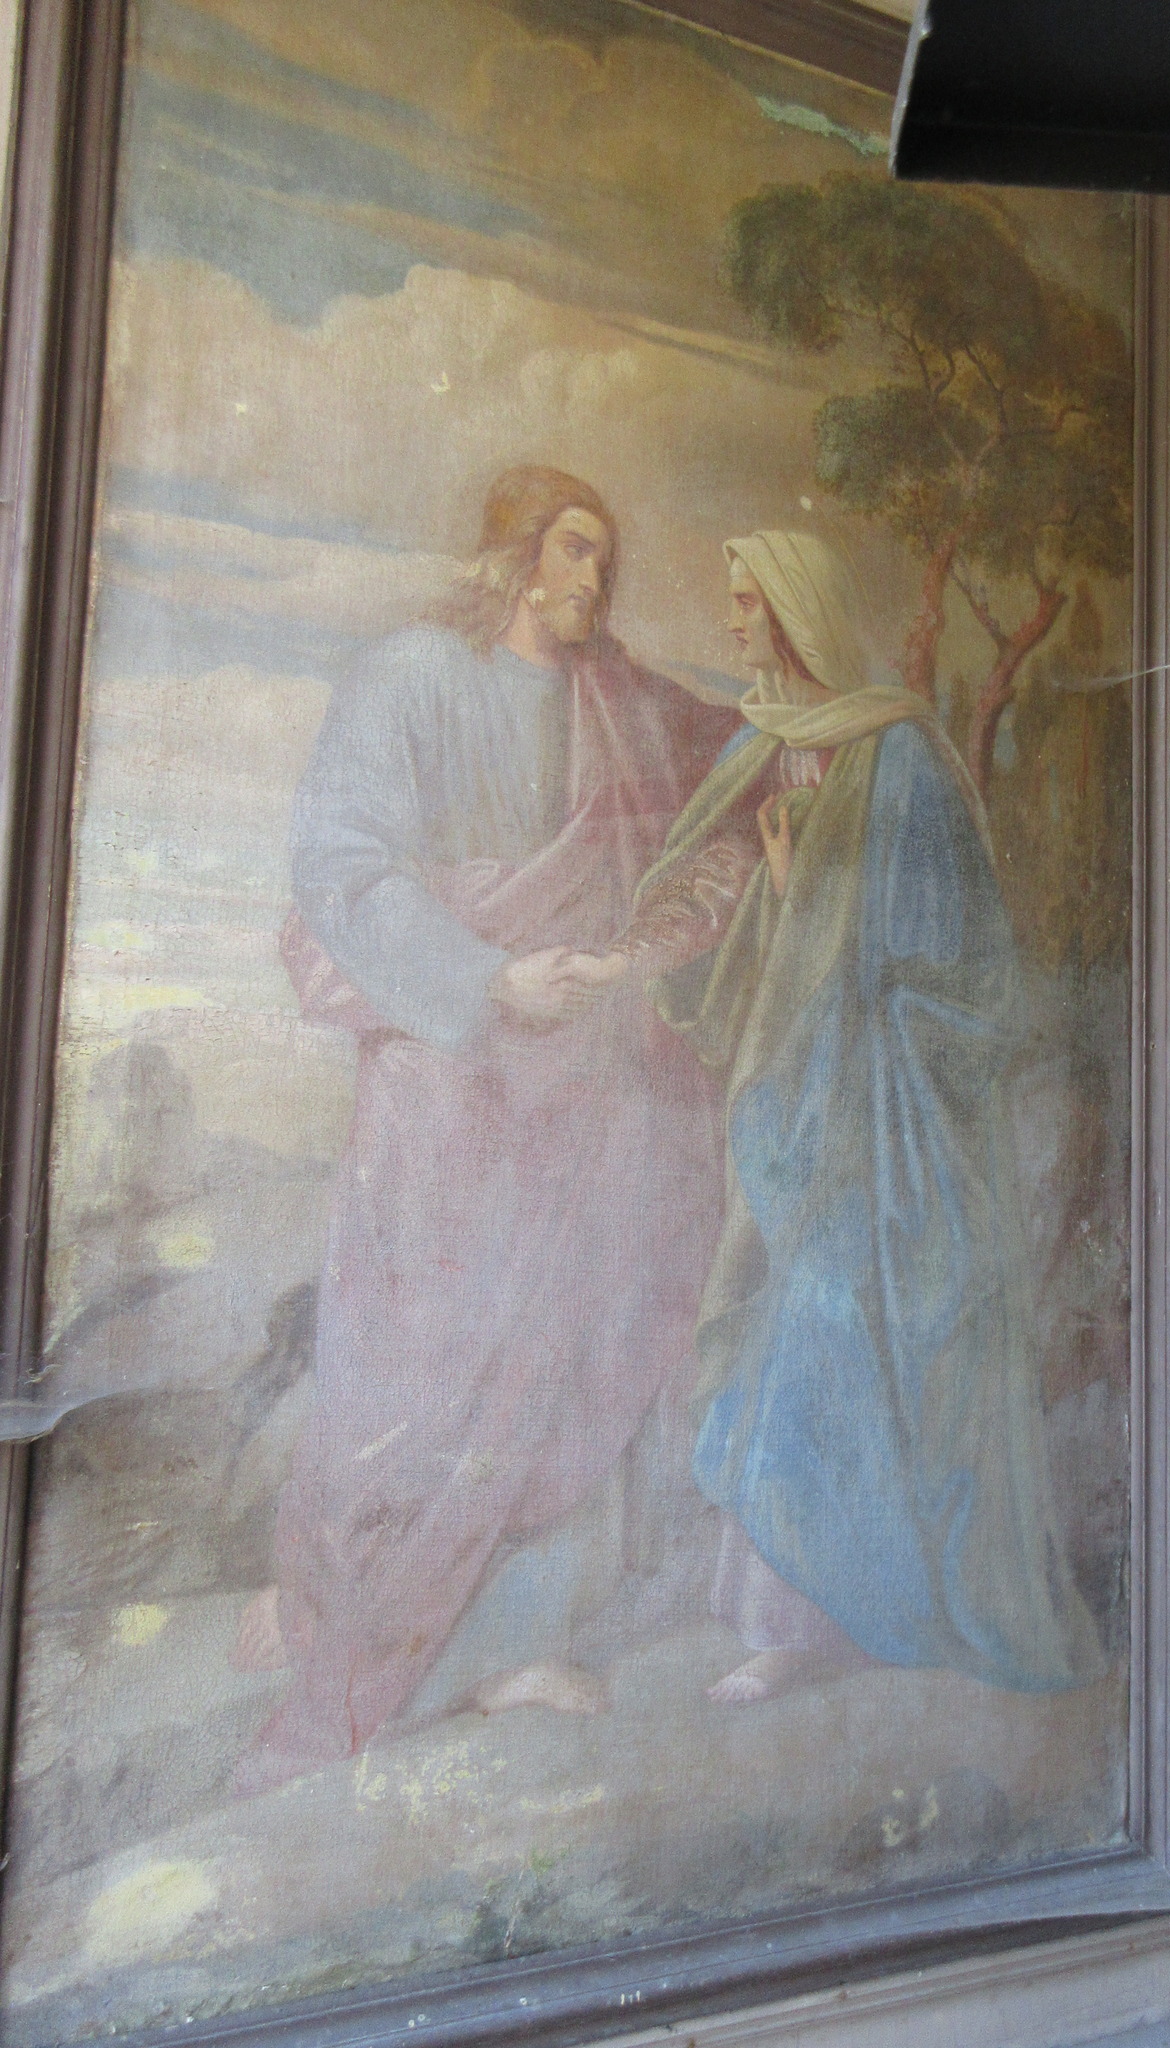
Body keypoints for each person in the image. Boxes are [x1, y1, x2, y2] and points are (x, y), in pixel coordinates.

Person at [233, 467, 738, 1792]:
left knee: (563, 1363)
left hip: (583, 1091)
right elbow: (344, 870)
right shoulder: (412, 677)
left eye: (604, 558)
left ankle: (501, 1648)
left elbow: (734, 750)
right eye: (573, 550)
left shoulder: (615, 696)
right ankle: (334, 1607)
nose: (592, 579)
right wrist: (490, 978)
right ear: (516, 555)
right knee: (412, 1371)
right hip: (446, 1080)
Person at [594, 532, 1102, 1704]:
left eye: (746, 604)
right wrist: (766, 903)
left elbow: (952, 953)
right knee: (789, 1328)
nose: (733, 626)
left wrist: (811, 897)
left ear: (794, 612)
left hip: (887, 1113)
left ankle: (862, 1613)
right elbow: (745, 938)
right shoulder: (763, 748)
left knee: (847, 1336)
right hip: (797, 1102)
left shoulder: (899, 755)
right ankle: (795, 1613)